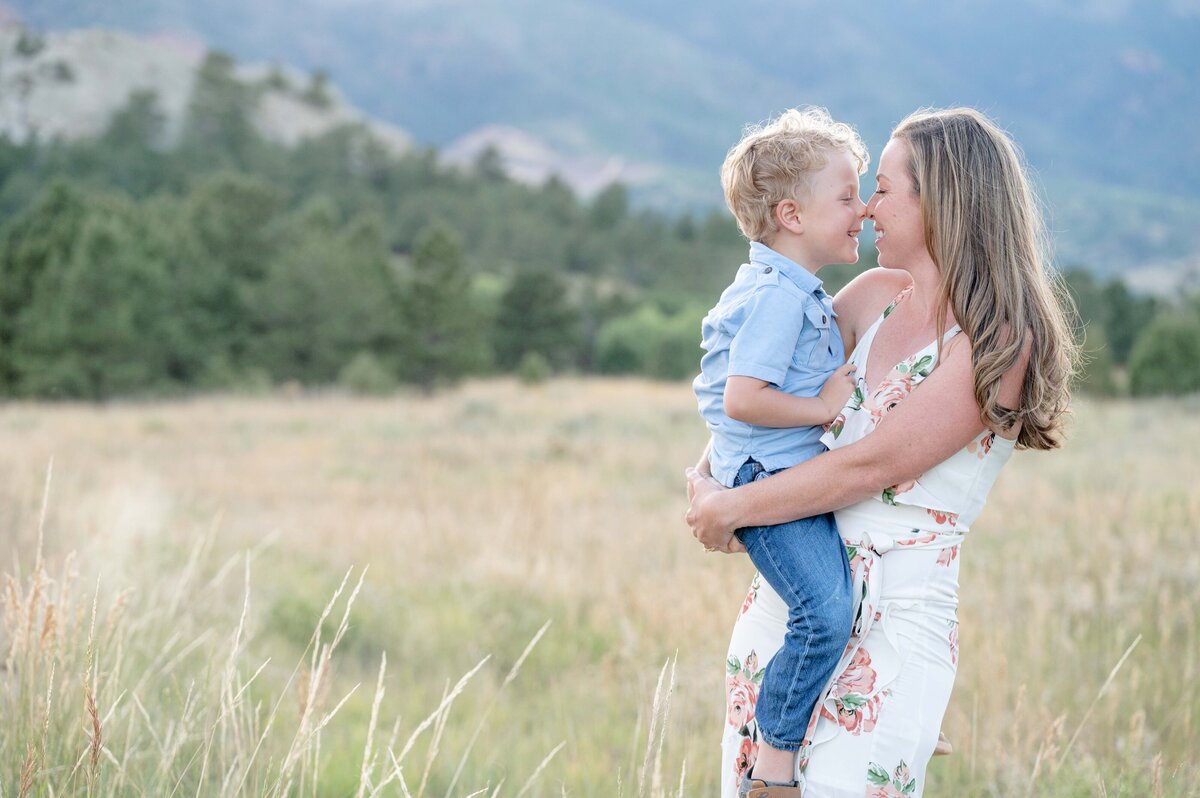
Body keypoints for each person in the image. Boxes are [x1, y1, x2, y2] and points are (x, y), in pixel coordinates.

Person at [686, 107, 1078, 798]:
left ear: (944, 202)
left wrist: (732, 508)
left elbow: (875, 466)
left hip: (895, 628)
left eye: (886, 189)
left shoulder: (997, 341)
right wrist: (709, 472)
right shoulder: (868, 298)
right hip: (797, 608)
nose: (867, 208)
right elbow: (762, 385)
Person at [691, 107, 866, 797]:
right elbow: (744, 398)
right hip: (771, 478)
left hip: (781, 470)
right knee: (822, 613)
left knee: (850, 593)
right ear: (792, 215)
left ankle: (874, 712)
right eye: (848, 196)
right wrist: (824, 408)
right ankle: (774, 762)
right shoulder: (777, 300)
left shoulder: (796, 292)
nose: (863, 209)